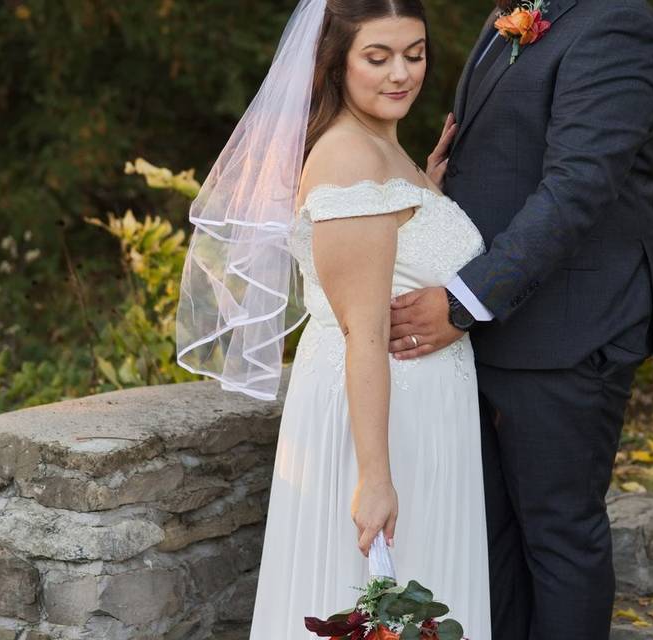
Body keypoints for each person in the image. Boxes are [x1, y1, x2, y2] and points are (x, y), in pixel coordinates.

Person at [176, 0, 491, 637]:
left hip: (426, 417)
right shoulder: (348, 158)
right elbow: (362, 333)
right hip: (379, 425)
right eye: (378, 57)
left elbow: (398, 248)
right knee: (376, 594)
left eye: (415, 54)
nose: (401, 73)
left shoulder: (385, 149)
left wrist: (428, 192)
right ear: (335, 63)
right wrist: (374, 478)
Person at [388, 0, 653, 638]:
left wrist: (463, 301)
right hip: (493, 328)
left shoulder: (616, 26)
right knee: (492, 535)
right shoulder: (512, 13)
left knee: (557, 535)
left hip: (568, 329)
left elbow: (577, 188)